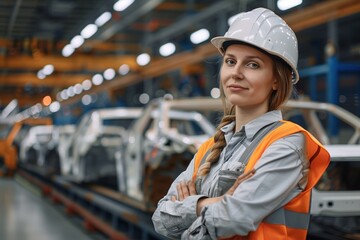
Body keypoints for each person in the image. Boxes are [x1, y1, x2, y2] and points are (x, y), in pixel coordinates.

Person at [152, 7, 330, 240]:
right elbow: (160, 219)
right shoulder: (209, 150)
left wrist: (190, 206)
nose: (235, 72)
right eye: (230, 61)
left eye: (252, 64)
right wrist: (211, 203)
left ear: (276, 80)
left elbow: (231, 218)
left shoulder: (286, 145)